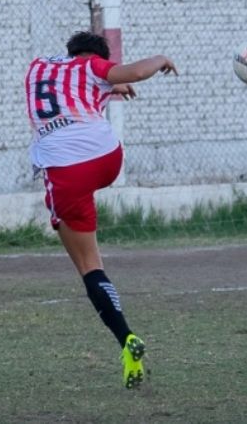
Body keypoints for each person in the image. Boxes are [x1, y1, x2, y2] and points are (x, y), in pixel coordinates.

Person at [25, 31, 177, 388]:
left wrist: (110, 86)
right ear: (97, 56)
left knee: (89, 267)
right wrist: (161, 59)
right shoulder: (93, 67)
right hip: (107, 158)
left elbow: (71, 85)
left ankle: (125, 337)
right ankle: (129, 356)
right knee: (84, 229)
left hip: (66, 170)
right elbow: (131, 73)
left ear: (70, 51)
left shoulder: (36, 68)